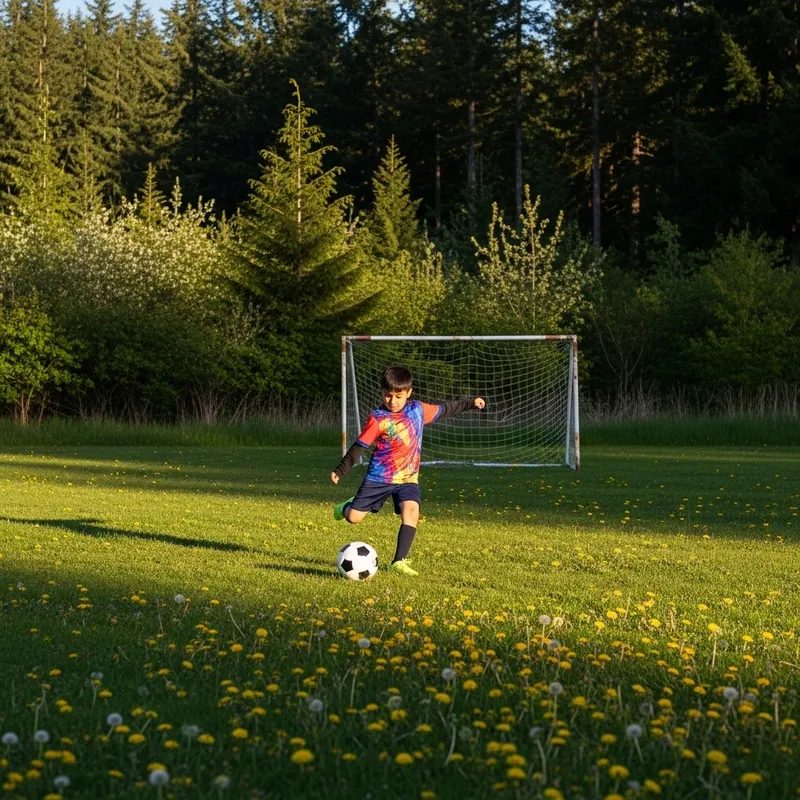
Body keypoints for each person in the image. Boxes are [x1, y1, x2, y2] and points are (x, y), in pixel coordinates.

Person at [331, 365, 486, 576]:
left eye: (398, 396)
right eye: (388, 395)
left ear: (408, 393)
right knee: (354, 518)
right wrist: (341, 469)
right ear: (382, 393)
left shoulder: (418, 410)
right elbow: (360, 446)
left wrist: (470, 403)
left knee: (412, 511)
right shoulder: (378, 419)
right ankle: (347, 506)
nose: (392, 401)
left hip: (408, 478)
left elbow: (445, 409)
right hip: (380, 478)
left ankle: (399, 561)